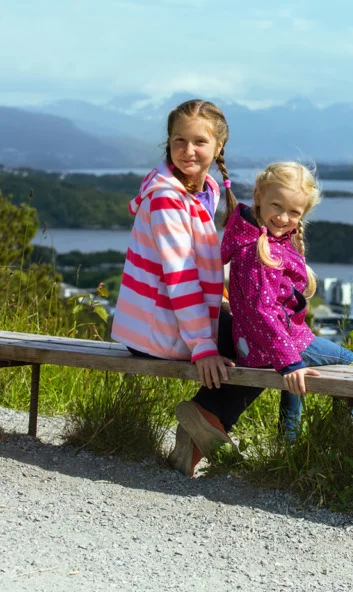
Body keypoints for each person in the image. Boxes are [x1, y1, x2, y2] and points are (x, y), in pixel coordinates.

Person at [111, 99, 271, 477]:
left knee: (257, 332)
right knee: (265, 344)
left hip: (162, 320)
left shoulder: (204, 189)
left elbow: (200, 265)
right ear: (168, 143)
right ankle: (205, 420)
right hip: (157, 328)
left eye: (199, 142)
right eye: (178, 141)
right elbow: (180, 278)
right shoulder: (168, 198)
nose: (187, 151)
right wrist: (204, 347)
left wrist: (227, 302)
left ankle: (200, 428)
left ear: (219, 147)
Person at [218, 161, 353, 437]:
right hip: (276, 343)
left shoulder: (254, 238)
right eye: (277, 206)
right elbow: (263, 312)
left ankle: (289, 441)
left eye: (294, 212)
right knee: (349, 361)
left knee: (300, 374)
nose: (283, 218)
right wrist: (289, 361)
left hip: (255, 343)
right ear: (259, 196)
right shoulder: (259, 253)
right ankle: (346, 435)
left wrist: (291, 362)